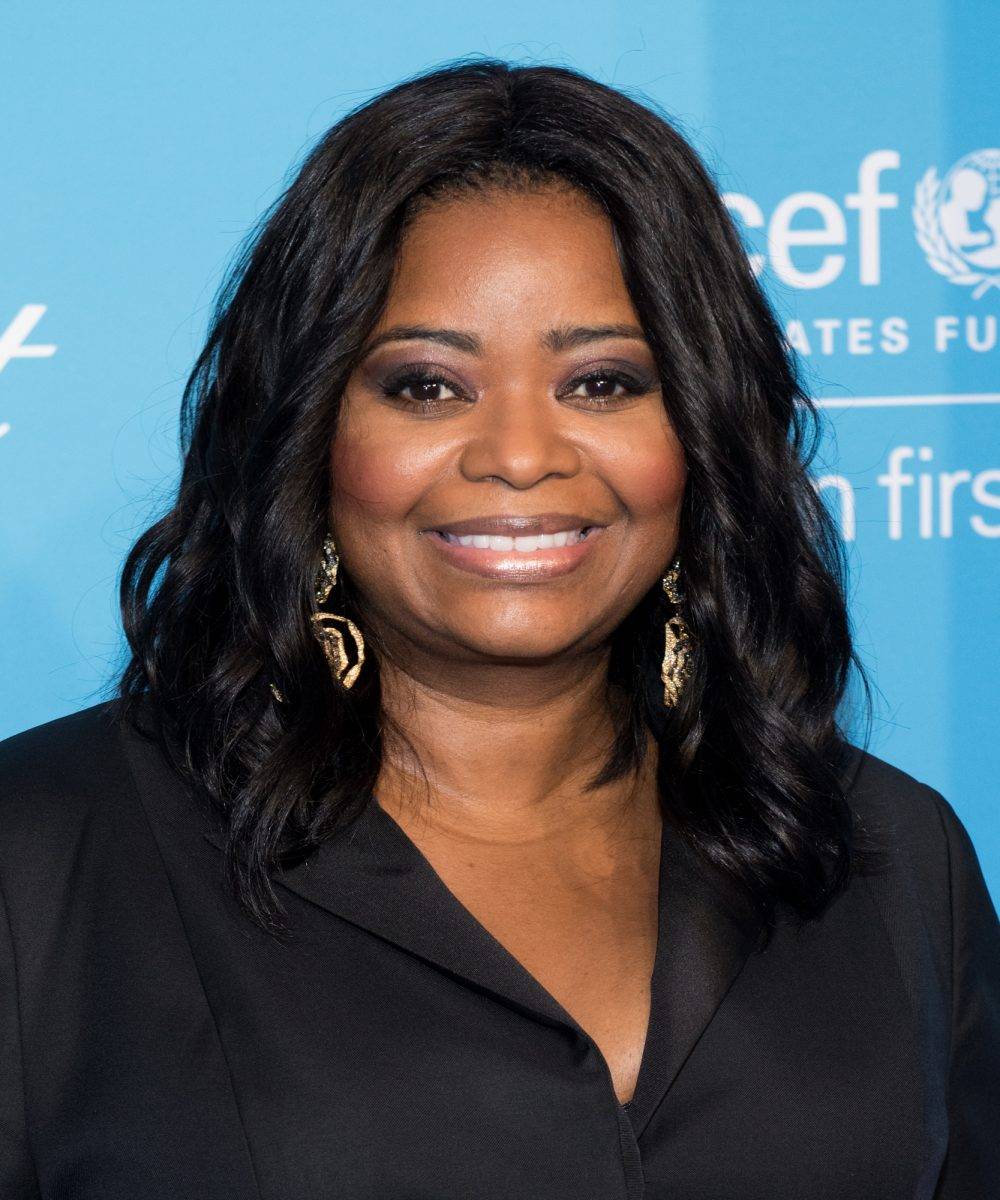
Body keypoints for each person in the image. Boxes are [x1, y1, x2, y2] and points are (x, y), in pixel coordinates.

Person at [1, 57, 998, 1200]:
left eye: (602, 383)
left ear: (700, 430)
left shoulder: (888, 856)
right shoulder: (46, 859)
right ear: (310, 434)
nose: (521, 455)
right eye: (428, 386)